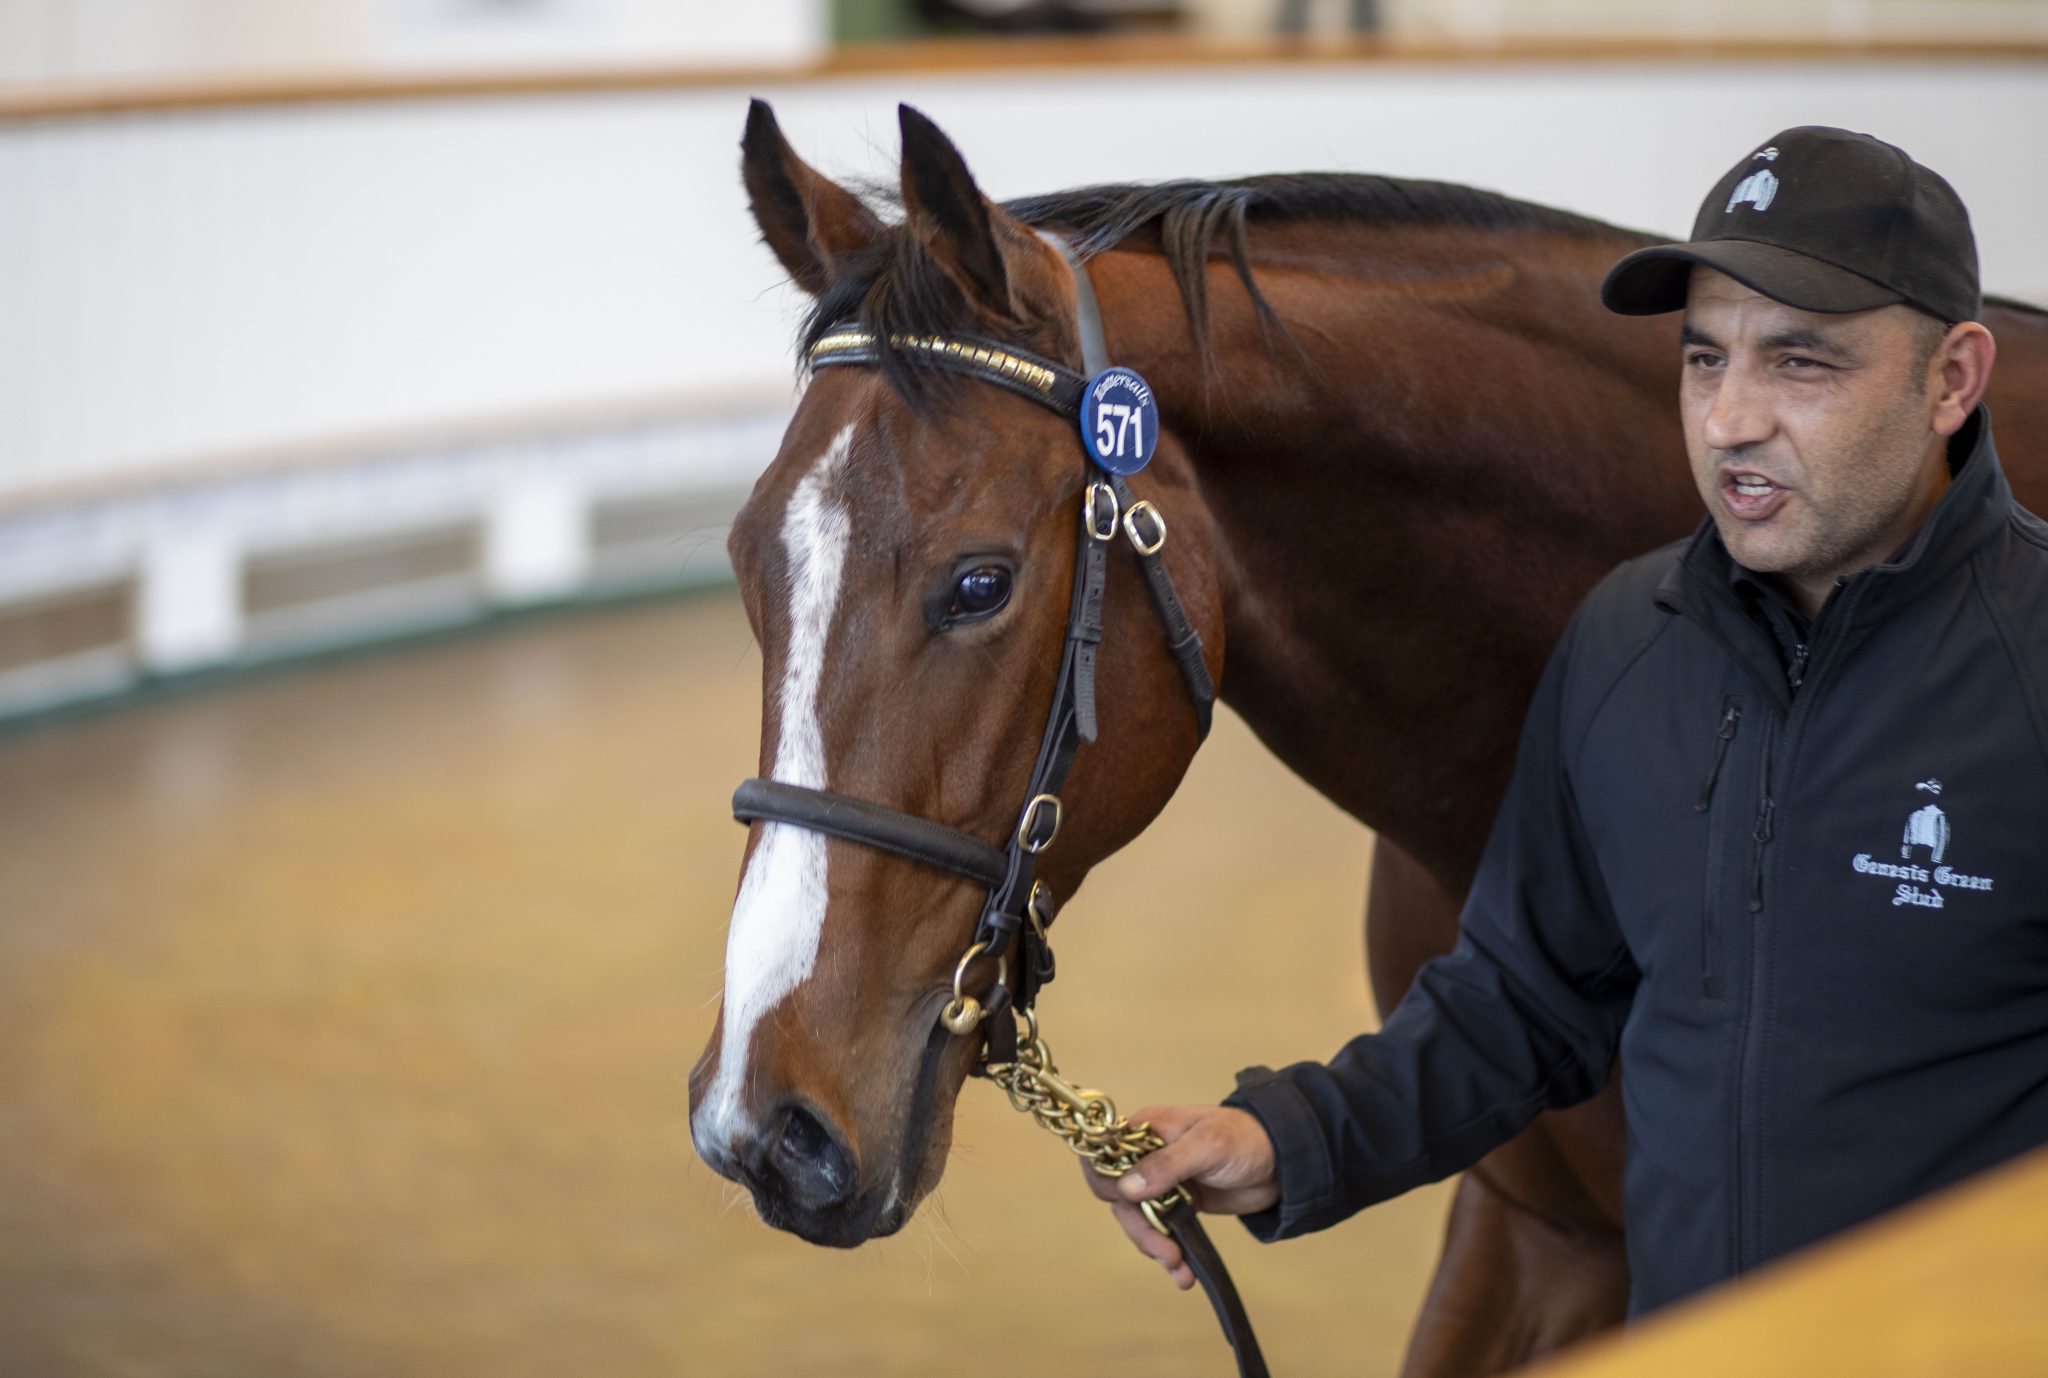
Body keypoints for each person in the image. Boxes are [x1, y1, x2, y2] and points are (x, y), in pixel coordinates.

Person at [1082, 126, 2048, 1314]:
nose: (1728, 420)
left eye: (1799, 364)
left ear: (1950, 379)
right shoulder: (1626, 641)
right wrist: (1282, 1135)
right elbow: (1523, 999)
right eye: (1704, 360)